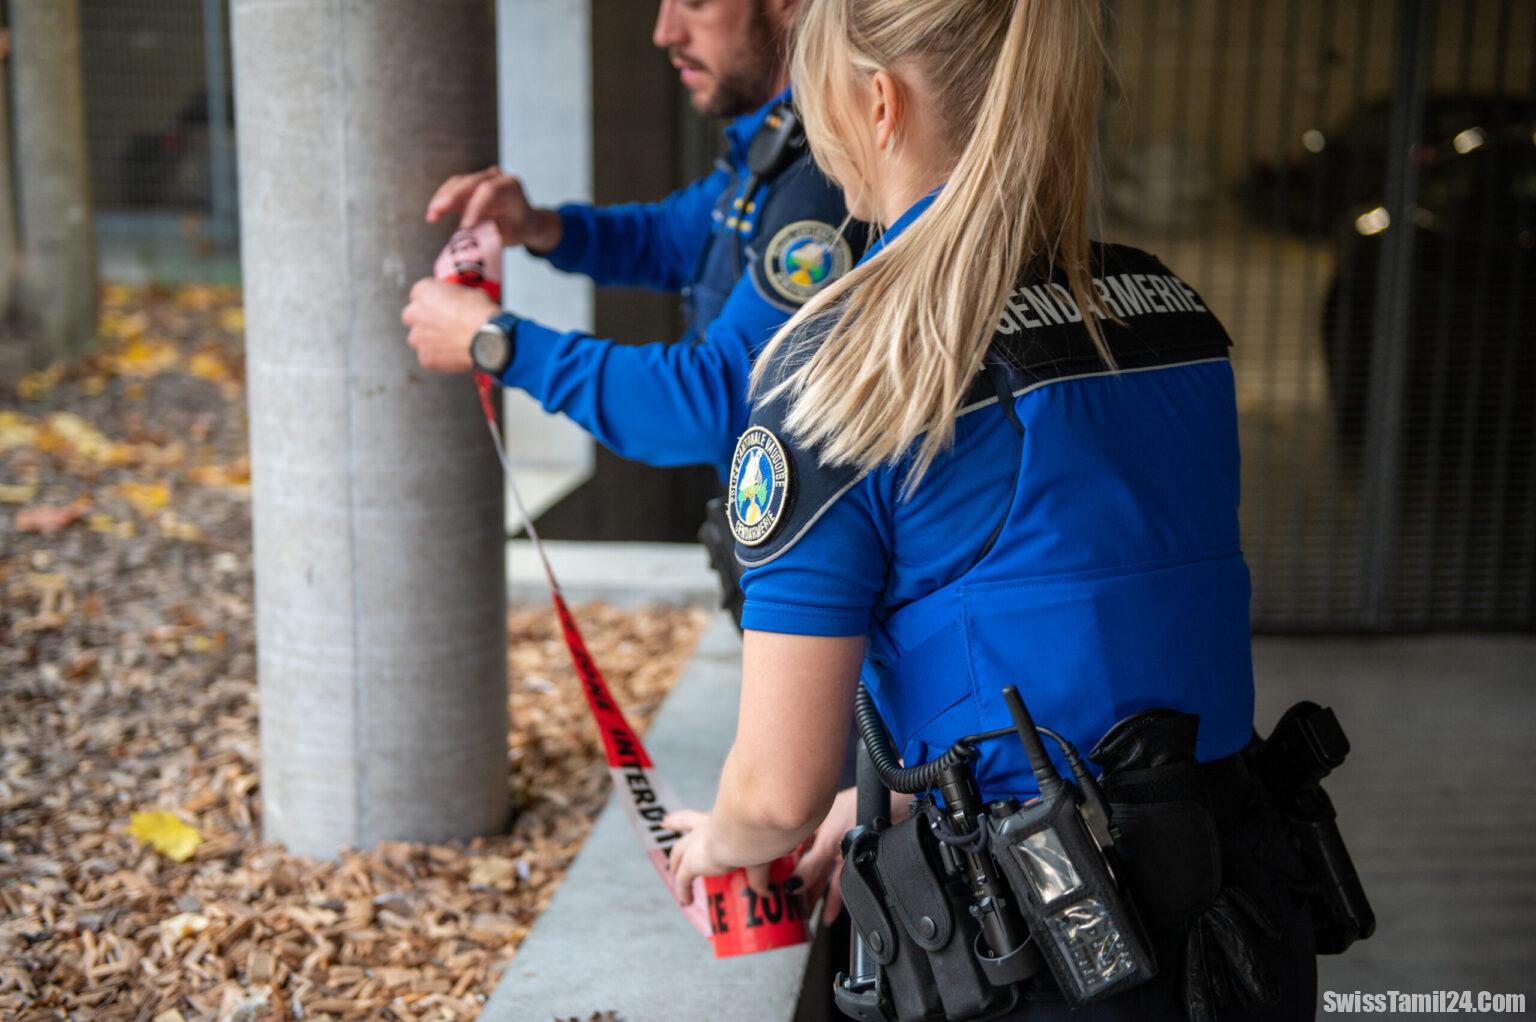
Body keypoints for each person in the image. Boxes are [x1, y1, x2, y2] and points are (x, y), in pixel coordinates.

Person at [662, 0, 1319, 1019]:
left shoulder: (843, 364)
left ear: (877, 102)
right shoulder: (1171, 313)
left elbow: (773, 790)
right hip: (1239, 917)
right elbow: (1067, 616)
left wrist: (718, 840)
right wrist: (877, 802)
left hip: (1035, 949)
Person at [401, 0, 859, 489]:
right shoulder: (778, 140)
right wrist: (540, 226)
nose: (665, 32)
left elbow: (712, 402)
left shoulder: (823, 176)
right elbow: (669, 238)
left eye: (694, 4)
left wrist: (497, 342)